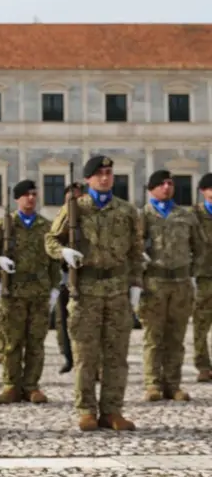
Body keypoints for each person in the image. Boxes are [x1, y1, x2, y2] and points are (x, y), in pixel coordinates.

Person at [45, 155, 142, 432]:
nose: (104, 177)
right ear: (88, 179)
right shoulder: (75, 208)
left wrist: (136, 284)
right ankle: (86, 409)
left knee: (116, 355)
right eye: (99, 173)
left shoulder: (126, 210)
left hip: (117, 290)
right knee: (85, 355)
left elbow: (136, 251)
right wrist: (63, 252)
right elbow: (51, 239)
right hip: (85, 291)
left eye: (109, 172)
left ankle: (112, 411)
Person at [0, 179, 61, 404]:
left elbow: (54, 261)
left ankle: (31, 386)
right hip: (12, 293)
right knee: (11, 342)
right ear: (17, 199)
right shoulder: (4, 224)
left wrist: (55, 288)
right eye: (26, 195)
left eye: (34, 194)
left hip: (39, 293)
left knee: (36, 342)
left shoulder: (46, 227)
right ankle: (11, 385)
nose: (31, 198)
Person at [139, 169, 204, 401]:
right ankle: (152, 384)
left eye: (170, 183)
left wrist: (191, 273)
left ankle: (173, 384)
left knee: (176, 336)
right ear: (151, 189)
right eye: (162, 184)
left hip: (181, 284)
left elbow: (200, 247)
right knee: (153, 336)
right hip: (155, 283)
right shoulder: (143, 216)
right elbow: (134, 248)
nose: (167, 187)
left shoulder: (185, 215)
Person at [194, 173, 212, 384]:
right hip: (202, 276)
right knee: (200, 325)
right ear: (203, 191)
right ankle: (203, 366)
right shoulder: (194, 215)